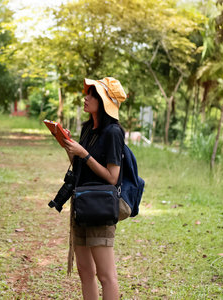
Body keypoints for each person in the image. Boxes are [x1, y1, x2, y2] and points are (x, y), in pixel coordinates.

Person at [63, 77, 127, 300]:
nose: (86, 97)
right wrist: (70, 148)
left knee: (106, 275)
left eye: (92, 94)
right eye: (87, 93)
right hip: (82, 203)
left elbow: (112, 177)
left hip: (100, 207)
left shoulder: (113, 133)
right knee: (85, 271)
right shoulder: (88, 128)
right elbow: (81, 166)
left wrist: (84, 154)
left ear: (104, 100)